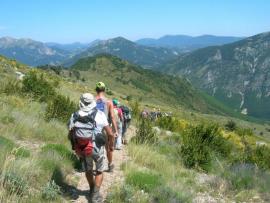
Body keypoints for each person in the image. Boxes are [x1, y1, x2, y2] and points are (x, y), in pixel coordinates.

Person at [68, 93, 114, 203]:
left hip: (83, 148)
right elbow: (110, 133)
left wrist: (75, 146)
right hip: (97, 148)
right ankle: (95, 195)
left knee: (88, 169)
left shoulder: (74, 115)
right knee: (99, 170)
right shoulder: (100, 114)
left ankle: (92, 188)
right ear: (92, 103)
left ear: (81, 103)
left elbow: (70, 133)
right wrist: (111, 145)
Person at [95, 82, 118, 172]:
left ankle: (90, 164)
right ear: (104, 90)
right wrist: (115, 130)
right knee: (108, 147)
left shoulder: (93, 100)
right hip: (105, 127)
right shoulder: (109, 102)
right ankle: (110, 164)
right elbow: (112, 116)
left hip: (94, 126)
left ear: (96, 90)